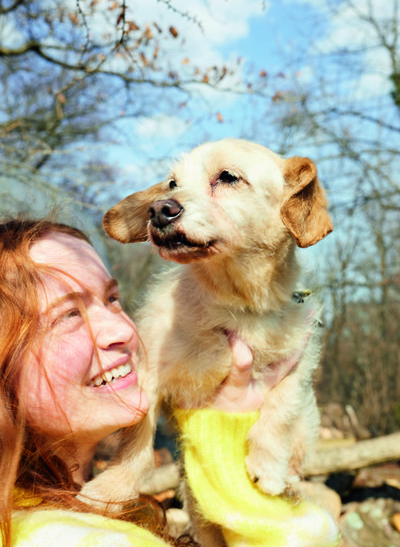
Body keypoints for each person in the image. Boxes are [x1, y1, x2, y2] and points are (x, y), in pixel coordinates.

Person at [0, 217, 340, 547]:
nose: (123, 330)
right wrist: (223, 441)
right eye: (69, 315)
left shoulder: (109, 513)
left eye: (111, 299)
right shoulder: (54, 537)